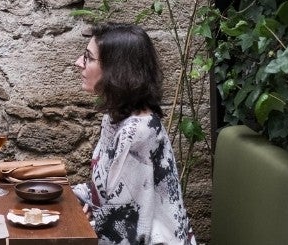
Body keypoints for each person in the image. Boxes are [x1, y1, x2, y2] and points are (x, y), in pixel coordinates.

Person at [72, 23, 198, 245]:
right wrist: (59, 196)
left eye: (89, 58)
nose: (79, 63)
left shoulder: (137, 133)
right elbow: (103, 194)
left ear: (116, 70)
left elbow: (124, 227)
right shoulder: (115, 118)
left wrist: (72, 218)